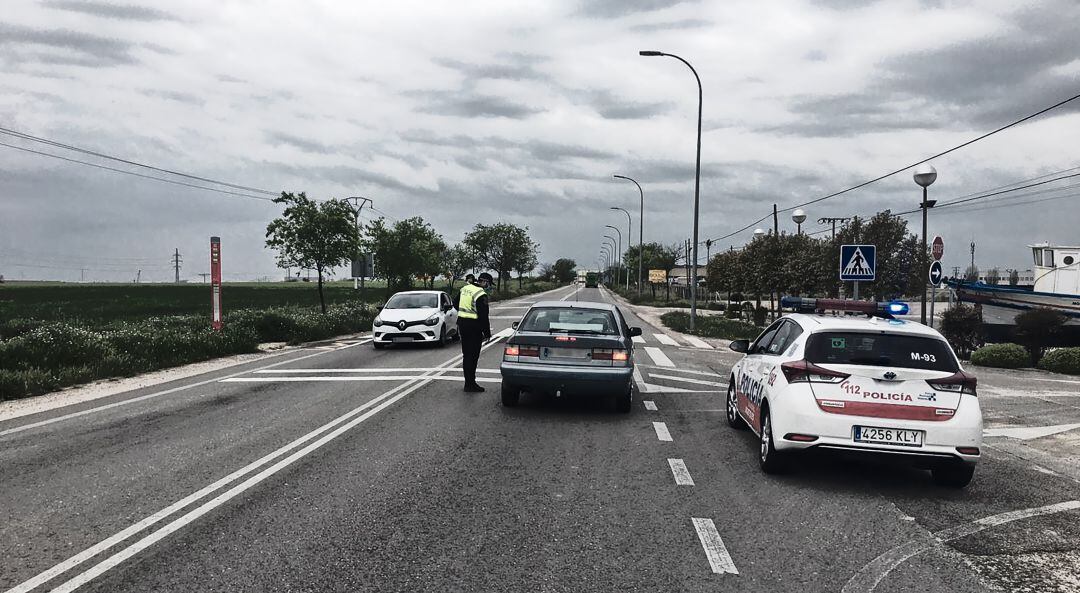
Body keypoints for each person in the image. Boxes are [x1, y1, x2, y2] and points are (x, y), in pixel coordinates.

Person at [457, 272, 492, 392]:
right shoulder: (481, 294)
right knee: (473, 356)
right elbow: (483, 316)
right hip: (474, 327)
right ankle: (471, 384)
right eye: (488, 284)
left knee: (466, 355)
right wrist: (487, 333)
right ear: (484, 282)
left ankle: (468, 383)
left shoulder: (464, 289)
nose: (488, 286)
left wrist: (465, 313)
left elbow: (455, 304)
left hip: (462, 325)